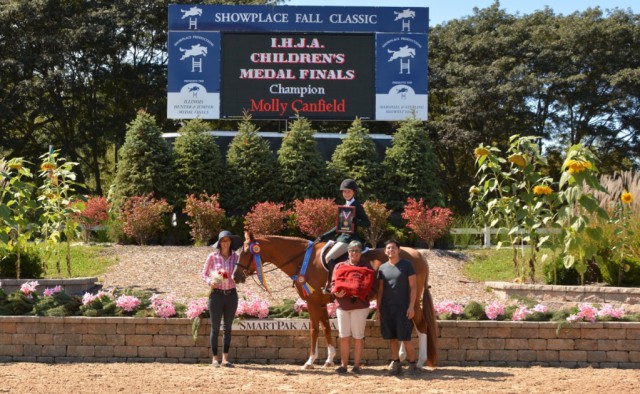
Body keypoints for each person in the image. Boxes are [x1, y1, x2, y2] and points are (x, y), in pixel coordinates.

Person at [331, 240, 376, 374]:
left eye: (356, 251)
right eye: (351, 250)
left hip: (359, 306)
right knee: (344, 336)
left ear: (361, 252)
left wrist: (364, 294)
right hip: (342, 305)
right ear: (348, 252)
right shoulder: (339, 266)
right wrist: (336, 292)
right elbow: (333, 283)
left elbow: (373, 287)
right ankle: (344, 365)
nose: (353, 253)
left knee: (358, 336)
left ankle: (356, 365)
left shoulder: (367, 267)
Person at [376, 239, 418, 376]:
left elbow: (413, 287)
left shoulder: (407, 265)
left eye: (393, 248)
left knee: (405, 339)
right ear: (385, 251)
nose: (391, 250)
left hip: (403, 308)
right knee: (392, 339)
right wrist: (378, 309)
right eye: (388, 248)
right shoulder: (382, 268)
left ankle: (412, 365)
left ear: (398, 250)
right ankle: (396, 364)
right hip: (387, 308)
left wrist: (411, 306)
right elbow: (380, 290)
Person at [321, 179, 370, 293]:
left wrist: (355, 221)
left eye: (348, 191)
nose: (346, 194)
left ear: (354, 192)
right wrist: (324, 235)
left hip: (350, 239)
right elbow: (339, 226)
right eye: (344, 192)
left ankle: (335, 284)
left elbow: (367, 223)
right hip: (341, 237)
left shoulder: (356, 205)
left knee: (329, 257)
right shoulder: (345, 206)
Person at [201, 230, 242, 368]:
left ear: (231, 242)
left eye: (228, 240)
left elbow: (241, 274)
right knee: (215, 328)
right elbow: (204, 274)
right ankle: (214, 359)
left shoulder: (236, 258)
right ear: (219, 243)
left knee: (228, 328)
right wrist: (210, 282)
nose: (225, 243)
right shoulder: (212, 256)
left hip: (231, 295)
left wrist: (240, 278)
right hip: (216, 295)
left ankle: (225, 359)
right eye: (223, 241)